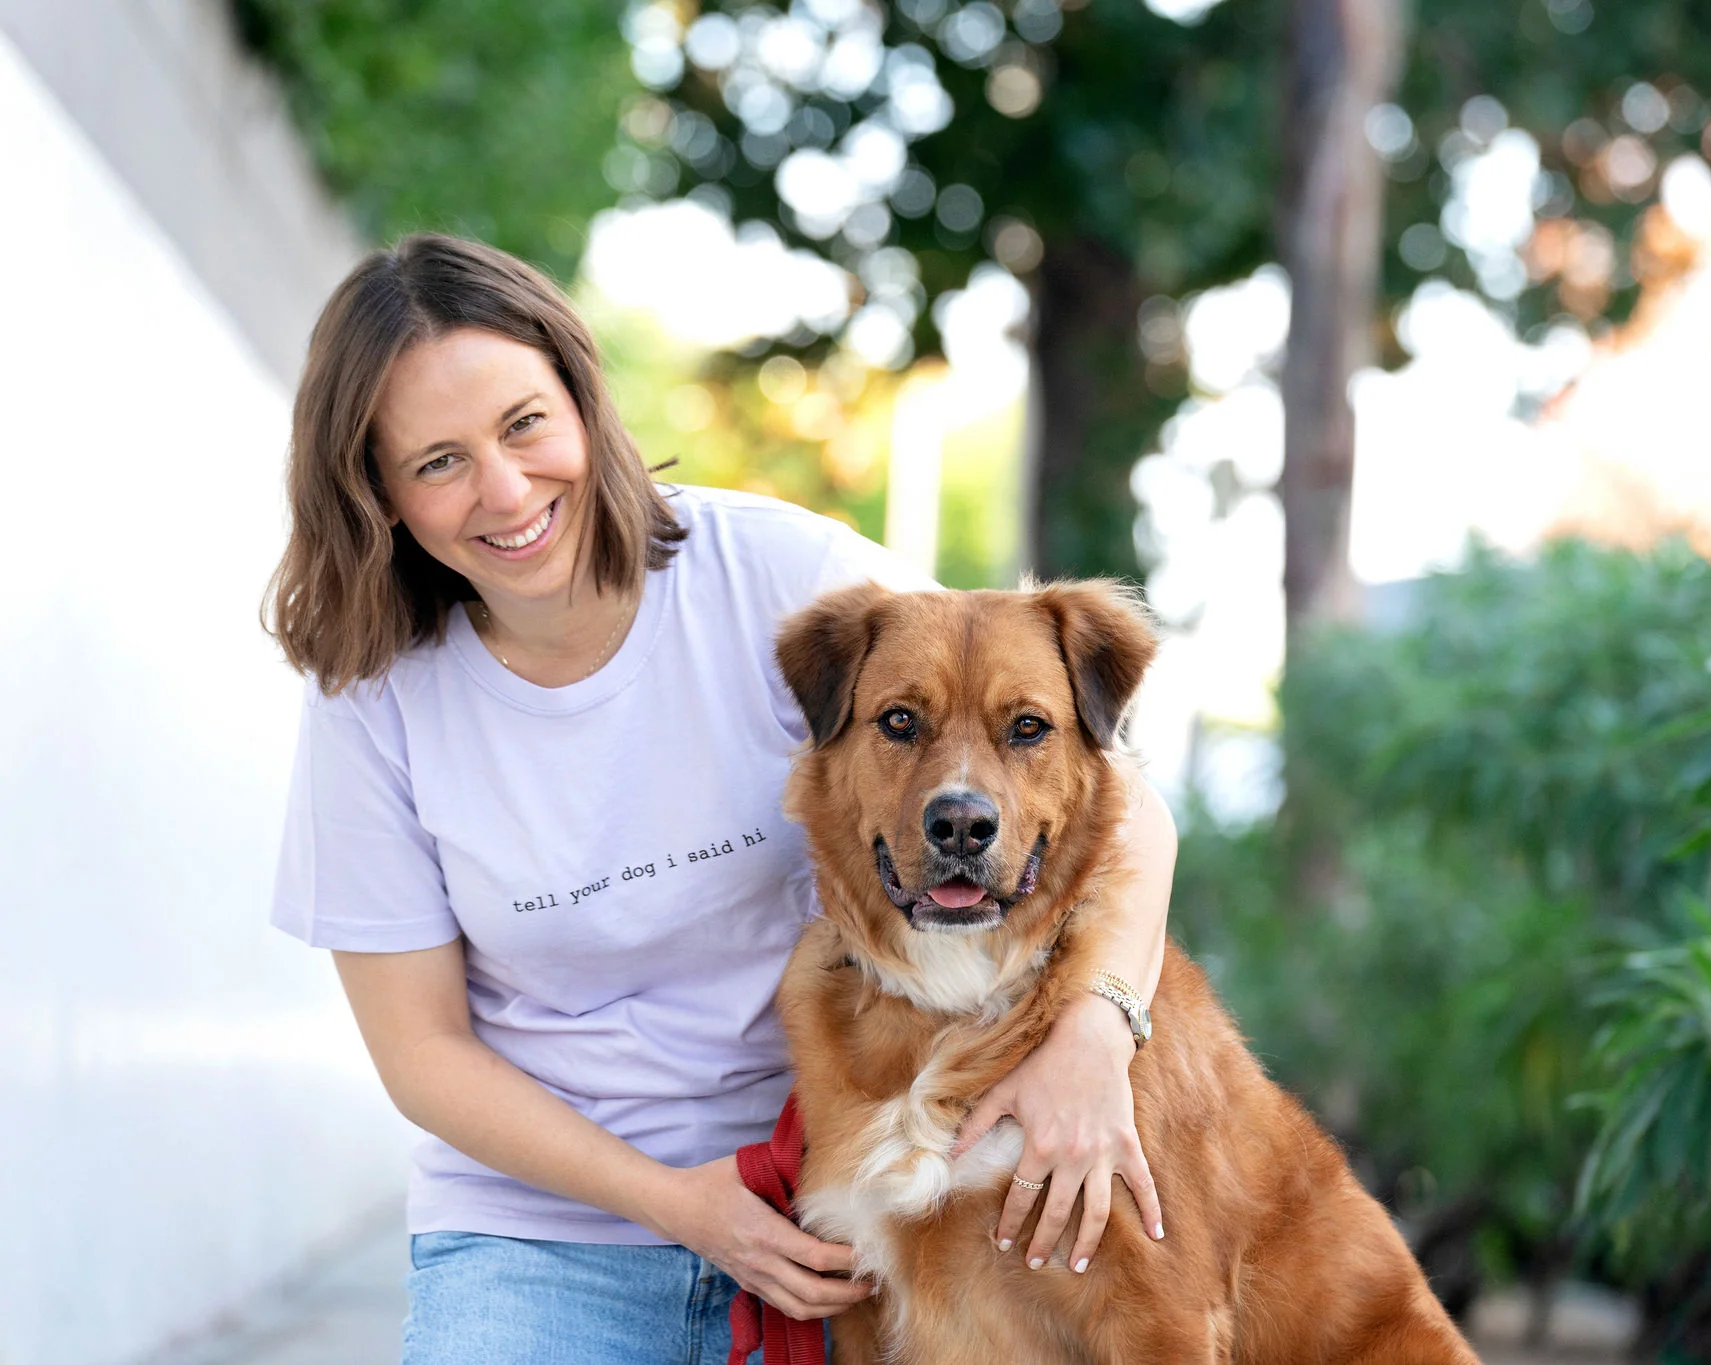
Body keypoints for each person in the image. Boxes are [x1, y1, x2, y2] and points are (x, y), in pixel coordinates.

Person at [263, 234, 1177, 1365]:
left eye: (523, 424)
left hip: (834, 1206)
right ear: (381, 496)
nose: (505, 490)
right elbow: (424, 1055)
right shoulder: (376, 698)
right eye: (437, 463)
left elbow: (1110, 801)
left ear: (586, 404)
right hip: (541, 1243)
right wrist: (672, 1204)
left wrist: (1096, 1036)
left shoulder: (778, 578)